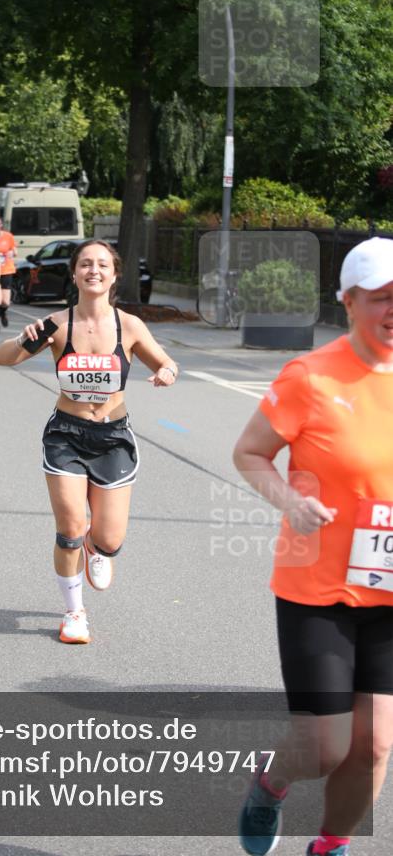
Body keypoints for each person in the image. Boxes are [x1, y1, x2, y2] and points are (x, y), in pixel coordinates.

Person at [233, 236, 393, 856]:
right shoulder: (311, 375)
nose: (392, 309)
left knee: (376, 742)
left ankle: (331, 846)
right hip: (317, 587)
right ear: (348, 300)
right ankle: (271, 785)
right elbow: (250, 453)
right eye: (381, 298)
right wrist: (292, 501)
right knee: (327, 745)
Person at [0, 239, 178, 644]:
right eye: (85, 265)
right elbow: (4, 358)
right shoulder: (57, 325)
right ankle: (74, 612)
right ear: (75, 274)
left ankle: (98, 549)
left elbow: (165, 361)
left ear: (114, 274)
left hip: (113, 437)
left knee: (109, 540)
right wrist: (22, 339)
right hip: (66, 434)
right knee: (70, 528)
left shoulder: (128, 325)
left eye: (101, 265)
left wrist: (167, 371)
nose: (93, 271)